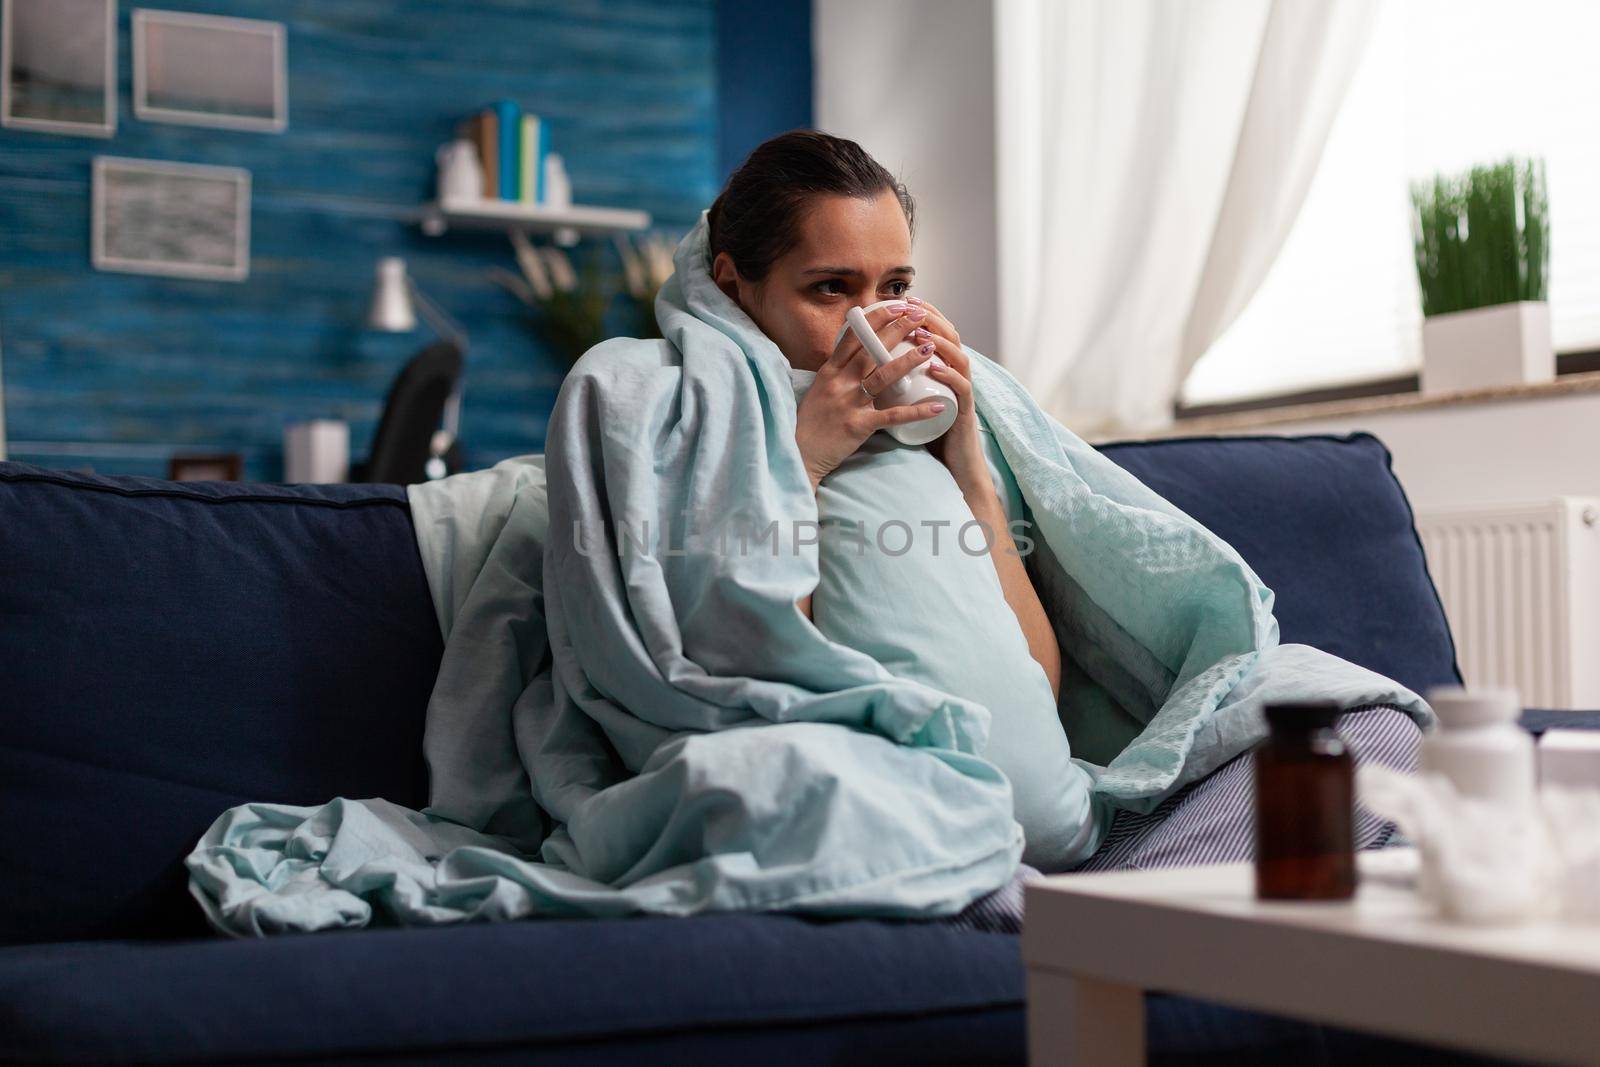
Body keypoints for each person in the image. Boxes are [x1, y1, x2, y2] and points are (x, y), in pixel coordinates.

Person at [700, 129, 1420, 879]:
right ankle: (1115, 918)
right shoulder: (709, 422)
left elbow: (1038, 679)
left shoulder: (932, 438)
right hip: (912, 834)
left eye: (895, 289)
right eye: (831, 289)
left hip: (1062, 826)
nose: (873, 322)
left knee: (1367, 729)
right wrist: (805, 459)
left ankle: (1111, 914)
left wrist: (969, 463)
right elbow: (771, 680)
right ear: (733, 285)